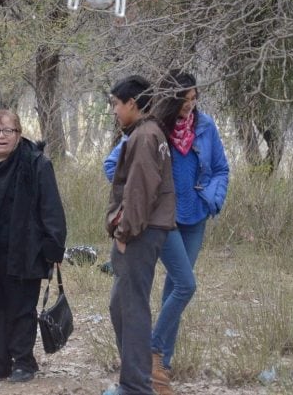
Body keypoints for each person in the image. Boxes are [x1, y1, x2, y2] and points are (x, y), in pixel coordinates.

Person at [105, 71, 230, 395]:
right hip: (162, 222)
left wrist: (211, 199)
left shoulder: (186, 130)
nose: (191, 105)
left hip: (176, 221)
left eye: (195, 99)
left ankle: (151, 374)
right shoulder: (152, 131)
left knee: (161, 296)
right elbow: (116, 169)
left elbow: (219, 169)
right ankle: (148, 364)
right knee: (144, 298)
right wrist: (129, 210)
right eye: (185, 99)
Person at [0, 109, 67, 383]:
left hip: (24, 248)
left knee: (21, 307)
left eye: (8, 131)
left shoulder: (36, 163)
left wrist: (53, 246)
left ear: (19, 134)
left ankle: (24, 361)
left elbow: (51, 208)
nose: (1, 136)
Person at [103, 76, 176, 395]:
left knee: (131, 309)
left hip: (139, 234)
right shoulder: (147, 132)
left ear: (132, 103)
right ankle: (136, 380)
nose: (115, 111)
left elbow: (139, 192)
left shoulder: (146, 136)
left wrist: (124, 233)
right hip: (141, 232)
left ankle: (135, 388)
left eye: (116, 104)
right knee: (120, 306)